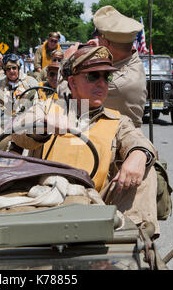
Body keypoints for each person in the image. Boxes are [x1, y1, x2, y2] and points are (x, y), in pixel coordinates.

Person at [10, 46, 160, 235]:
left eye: (107, 77)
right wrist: (43, 125)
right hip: (45, 199)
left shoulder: (117, 120)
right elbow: (17, 131)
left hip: (97, 203)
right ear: (72, 82)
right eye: (93, 76)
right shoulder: (47, 108)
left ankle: (131, 240)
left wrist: (138, 155)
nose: (102, 83)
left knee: (146, 168)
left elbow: (138, 139)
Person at [89, 5, 147, 128]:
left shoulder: (115, 83)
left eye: (99, 37)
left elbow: (72, 98)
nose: (97, 40)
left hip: (109, 143)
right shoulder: (133, 60)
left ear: (107, 43)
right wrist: (101, 50)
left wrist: (67, 61)